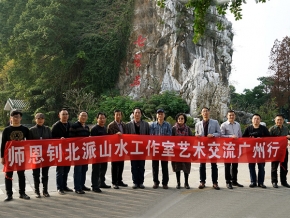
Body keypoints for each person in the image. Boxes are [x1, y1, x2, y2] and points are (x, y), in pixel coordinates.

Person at [1, 110, 30, 201]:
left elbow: (29, 143)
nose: (16, 118)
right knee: (8, 175)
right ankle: (9, 194)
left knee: (21, 174)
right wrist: (2, 157)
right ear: (11, 118)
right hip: (9, 156)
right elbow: (3, 144)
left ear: (21, 118)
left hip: (21, 155)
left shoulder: (25, 129)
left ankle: (22, 193)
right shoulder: (7, 130)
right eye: (14, 117)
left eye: (17, 117)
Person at [195, 107, 221, 190]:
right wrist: (197, 136)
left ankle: (215, 182)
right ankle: (202, 182)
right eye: (203, 111)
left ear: (209, 112)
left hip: (212, 146)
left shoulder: (215, 122)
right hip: (202, 146)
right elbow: (196, 134)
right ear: (201, 113)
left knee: (214, 165)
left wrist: (213, 135)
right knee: (202, 165)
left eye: (206, 111)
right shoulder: (198, 124)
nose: (205, 113)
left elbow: (219, 133)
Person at [243, 113, 270, 188]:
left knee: (261, 166)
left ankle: (261, 182)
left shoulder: (263, 129)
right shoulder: (248, 129)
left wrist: (261, 139)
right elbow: (243, 139)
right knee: (251, 166)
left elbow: (269, 138)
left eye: (258, 119)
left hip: (261, 150)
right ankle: (253, 181)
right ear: (252, 120)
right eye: (255, 118)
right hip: (251, 151)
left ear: (260, 120)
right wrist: (251, 140)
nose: (256, 120)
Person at [125, 108, 149, 189]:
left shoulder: (146, 124)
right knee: (134, 166)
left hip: (142, 149)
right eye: (136, 113)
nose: (137, 114)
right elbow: (126, 138)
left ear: (141, 114)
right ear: (133, 114)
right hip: (133, 149)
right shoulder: (128, 125)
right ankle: (135, 182)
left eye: (139, 113)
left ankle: (141, 182)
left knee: (142, 166)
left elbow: (149, 137)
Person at [29, 113, 52, 198]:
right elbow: (29, 143)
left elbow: (52, 141)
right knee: (36, 174)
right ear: (35, 120)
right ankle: (37, 191)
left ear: (44, 120)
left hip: (46, 155)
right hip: (35, 155)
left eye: (42, 118)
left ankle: (45, 190)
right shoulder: (31, 130)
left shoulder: (47, 129)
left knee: (45, 174)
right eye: (38, 118)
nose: (40, 120)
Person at [51, 109, 73, 194]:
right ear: (59, 115)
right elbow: (51, 139)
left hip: (69, 151)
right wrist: (59, 140)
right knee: (60, 170)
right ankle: (59, 187)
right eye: (63, 114)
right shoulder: (56, 126)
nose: (65, 116)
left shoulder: (70, 125)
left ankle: (64, 186)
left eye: (66, 114)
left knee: (67, 170)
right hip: (59, 151)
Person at [220, 110, 244, 189]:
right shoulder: (223, 125)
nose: (231, 117)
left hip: (236, 148)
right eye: (230, 115)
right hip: (227, 148)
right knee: (227, 165)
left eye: (233, 115)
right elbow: (221, 136)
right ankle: (228, 181)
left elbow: (240, 135)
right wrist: (230, 136)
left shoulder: (238, 124)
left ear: (235, 116)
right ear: (227, 116)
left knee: (235, 165)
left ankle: (234, 180)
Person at [69, 111, 91, 194]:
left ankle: (82, 185)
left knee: (84, 169)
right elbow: (71, 139)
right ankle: (77, 187)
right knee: (78, 170)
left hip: (85, 152)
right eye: (82, 116)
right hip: (77, 152)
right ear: (78, 116)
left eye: (85, 116)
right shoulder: (74, 126)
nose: (84, 117)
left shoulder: (87, 127)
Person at [150, 109, 172, 189]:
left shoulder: (168, 125)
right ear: (156, 115)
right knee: (155, 166)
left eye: (161, 114)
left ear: (164, 115)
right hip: (155, 148)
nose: (160, 115)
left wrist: (161, 140)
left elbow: (170, 136)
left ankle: (165, 183)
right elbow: (151, 136)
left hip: (164, 148)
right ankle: (156, 182)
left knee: (165, 166)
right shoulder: (152, 125)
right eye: (159, 114)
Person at [107, 109, 128, 189]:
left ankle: (119, 180)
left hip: (122, 147)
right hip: (114, 148)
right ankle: (114, 182)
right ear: (114, 115)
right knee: (115, 165)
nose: (118, 116)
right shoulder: (111, 125)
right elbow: (109, 138)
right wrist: (116, 135)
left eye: (119, 114)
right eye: (117, 114)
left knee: (121, 165)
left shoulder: (124, 125)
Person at [91, 112, 111, 193]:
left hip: (104, 152)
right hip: (96, 153)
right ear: (97, 119)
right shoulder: (94, 129)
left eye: (103, 118)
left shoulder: (105, 128)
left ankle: (101, 182)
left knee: (103, 168)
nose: (102, 120)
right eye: (100, 118)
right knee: (96, 170)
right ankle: (94, 185)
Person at [269, 114, 290, 188]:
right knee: (274, 167)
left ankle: (284, 182)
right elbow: (268, 139)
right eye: (278, 120)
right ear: (275, 120)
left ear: (283, 120)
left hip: (284, 150)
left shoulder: (286, 128)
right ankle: (274, 182)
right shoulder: (272, 129)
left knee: (284, 167)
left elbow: (289, 136)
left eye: (281, 120)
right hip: (275, 151)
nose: (279, 121)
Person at [172, 113, 192, 189]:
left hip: (186, 151)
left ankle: (186, 183)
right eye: (179, 118)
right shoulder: (173, 129)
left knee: (186, 167)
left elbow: (191, 140)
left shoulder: (188, 129)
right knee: (177, 167)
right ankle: (178, 183)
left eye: (182, 118)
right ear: (177, 120)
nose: (180, 120)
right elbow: (171, 139)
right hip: (176, 151)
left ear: (184, 120)